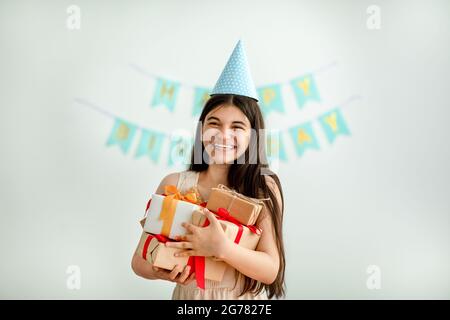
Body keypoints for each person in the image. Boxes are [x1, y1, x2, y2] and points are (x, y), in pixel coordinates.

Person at [131, 40, 285, 299]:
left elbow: (270, 270)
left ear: (253, 135)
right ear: (202, 129)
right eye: (214, 123)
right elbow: (138, 261)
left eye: (237, 127)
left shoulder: (261, 187)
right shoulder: (175, 185)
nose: (224, 135)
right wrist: (159, 271)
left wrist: (222, 247)